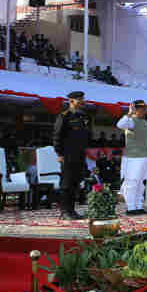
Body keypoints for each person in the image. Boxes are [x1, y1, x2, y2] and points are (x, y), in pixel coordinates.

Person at [53, 91, 91, 220]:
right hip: (67, 154)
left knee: (76, 182)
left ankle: (72, 210)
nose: (82, 101)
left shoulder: (83, 116)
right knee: (67, 183)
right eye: (79, 99)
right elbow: (57, 136)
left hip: (80, 153)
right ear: (71, 101)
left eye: (82, 99)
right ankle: (65, 211)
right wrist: (59, 153)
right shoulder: (64, 116)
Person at [116, 100, 147, 215]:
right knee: (131, 182)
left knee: (141, 183)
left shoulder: (145, 122)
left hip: (145, 156)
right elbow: (120, 125)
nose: (143, 110)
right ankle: (131, 207)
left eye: (144, 108)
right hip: (133, 157)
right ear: (135, 109)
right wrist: (129, 113)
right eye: (140, 108)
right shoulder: (131, 121)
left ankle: (138, 205)